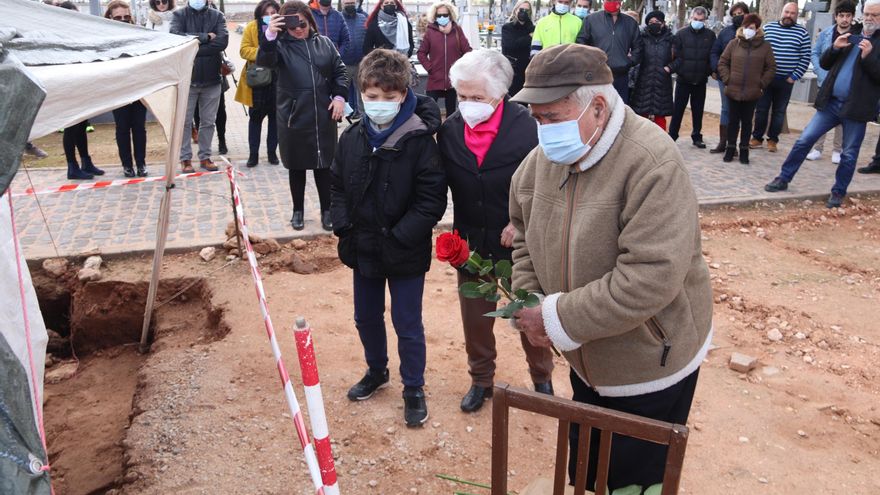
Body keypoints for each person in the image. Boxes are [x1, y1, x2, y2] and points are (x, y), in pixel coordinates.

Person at [508, 44, 712, 495]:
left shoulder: (652, 162)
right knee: (585, 466)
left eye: (552, 118)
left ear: (597, 107)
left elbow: (649, 277)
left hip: (648, 362)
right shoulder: (539, 163)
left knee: (631, 481)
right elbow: (520, 233)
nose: (543, 132)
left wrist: (557, 318)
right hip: (585, 356)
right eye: (536, 119)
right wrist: (530, 299)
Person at [330, 49, 446, 427]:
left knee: (407, 321)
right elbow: (337, 186)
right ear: (362, 94)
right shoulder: (352, 137)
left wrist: (398, 237)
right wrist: (344, 226)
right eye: (372, 97)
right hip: (362, 246)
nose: (379, 104)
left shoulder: (420, 140)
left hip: (404, 250)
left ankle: (413, 386)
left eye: (389, 97)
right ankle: (376, 370)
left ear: (403, 95)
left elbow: (430, 202)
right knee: (366, 316)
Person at [436, 49, 554, 413]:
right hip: (471, 243)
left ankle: (542, 377)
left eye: (477, 98)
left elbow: (550, 185)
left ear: (501, 94)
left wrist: (520, 220)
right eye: (462, 96)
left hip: (520, 245)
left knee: (530, 311)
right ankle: (481, 380)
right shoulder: (450, 131)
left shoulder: (529, 128)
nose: (468, 105)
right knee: (475, 318)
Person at [764, 0, 880, 208]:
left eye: (875, 15)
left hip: (856, 109)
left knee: (849, 153)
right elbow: (826, 62)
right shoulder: (850, 33)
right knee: (803, 141)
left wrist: (869, 56)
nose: (870, 18)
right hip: (831, 104)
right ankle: (783, 178)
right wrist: (835, 48)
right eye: (868, 14)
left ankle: (838, 192)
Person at [260, 3, 348, 231]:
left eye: (302, 24)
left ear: (309, 20)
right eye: (292, 26)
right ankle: (297, 210)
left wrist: (339, 96)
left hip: (322, 113)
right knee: (296, 166)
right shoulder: (279, 46)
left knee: (324, 165)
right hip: (293, 115)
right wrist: (270, 34)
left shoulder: (325, 44)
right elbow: (264, 62)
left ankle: (327, 210)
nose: (298, 29)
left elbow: (340, 71)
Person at [171, 0, 228, 173]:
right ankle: (185, 158)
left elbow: (222, 42)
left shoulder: (217, 16)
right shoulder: (179, 15)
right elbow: (176, 38)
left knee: (208, 122)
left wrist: (193, 45)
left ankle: (205, 156)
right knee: (184, 122)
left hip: (212, 79)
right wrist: (205, 37)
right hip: (187, 79)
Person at [749, 2, 810, 153]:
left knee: (779, 112)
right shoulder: (768, 28)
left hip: (786, 80)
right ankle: (757, 138)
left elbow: (805, 57)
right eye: (787, 12)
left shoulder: (802, 34)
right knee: (761, 110)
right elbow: (758, 49)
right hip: (766, 78)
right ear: (782, 12)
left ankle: (773, 140)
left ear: (796, 15)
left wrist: (794, 76)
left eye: (792, 13)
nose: (789, 15)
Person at [717, 13, 775, 164]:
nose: (749, 30)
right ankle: (730, 148)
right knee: (733, 121)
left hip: (752, 91)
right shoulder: (734, 44)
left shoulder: (765, 46)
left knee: (747, 122)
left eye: (752, 27)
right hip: (733, 90)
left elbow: (771, 68)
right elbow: (723, 62)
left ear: (757, 29)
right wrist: (727, 79)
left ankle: (744, 150)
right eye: (746, 27)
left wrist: (761, 83)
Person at [55, 1, 103, 180]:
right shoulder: (58, 37)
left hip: (79, 84)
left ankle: (85, 161)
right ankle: (72, 166)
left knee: (82, 124)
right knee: (71, 126)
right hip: (66, 86)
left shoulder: (75, 35)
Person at [806, 1, 855, 163]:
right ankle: (817, 148)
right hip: (825, 81)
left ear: (852, 17)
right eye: (842, 15)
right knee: (821, 115)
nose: (845, 19)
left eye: (848, 16)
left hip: (845, 84)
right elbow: (815, 53)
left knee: (841, 117)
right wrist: (820, 73)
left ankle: (837, 150)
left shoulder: (855, 36)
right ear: (836, 16)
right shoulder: (826, 33)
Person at [235, 0, 280, 167]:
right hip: (257, 80)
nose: (269, 17)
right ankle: (253, 154)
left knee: (275, 119)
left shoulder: (281, 28)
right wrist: (263, 53)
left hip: (276, 79)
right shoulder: (251, 27)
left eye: (273, 13)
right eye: (266, 13)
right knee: (255, 119)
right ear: (260, 14)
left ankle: (272, 152)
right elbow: (243, 50)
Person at [106, 1, 149, 178]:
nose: (123, 20)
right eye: (118, 17)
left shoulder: (137, 33)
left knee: (139, 127)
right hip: (118, 88)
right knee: (122, 128)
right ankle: (127, 165)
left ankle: (141, 163)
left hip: (138, 86)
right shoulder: (105, 36)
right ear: (110, 17)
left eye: (126, 17)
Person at [576, 0, 642, 103]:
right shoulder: (591, 19)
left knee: (619, 109)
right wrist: (591, 62)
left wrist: (629, 62)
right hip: (597, 75)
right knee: (597, 109)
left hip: (621, 76)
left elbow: (638, 47)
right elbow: (581, 43)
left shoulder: (630, 23)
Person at [668, 6, 715, 148]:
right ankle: (673, 135)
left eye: (701, 20)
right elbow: (675, 55)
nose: (698, 22)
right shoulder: (681, 34)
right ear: (691, 18)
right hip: (683, 79)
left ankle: (696, 136)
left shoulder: (710, 35)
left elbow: (712, 56)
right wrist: (680, 70)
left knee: (698, 110)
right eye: (695, 19)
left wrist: (707, 71)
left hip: (700, 80)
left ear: (705, 20)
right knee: (678, 110)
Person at [417, 1, 472, 117]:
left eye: (445, 15)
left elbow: (468, 51)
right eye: (439, 15)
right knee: (429, 110)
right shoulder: (430, 32)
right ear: (435, 16)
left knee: (451, 111)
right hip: (435, 78)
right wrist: (430, 68)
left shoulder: (457, 30)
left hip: (453, 79)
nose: (442, 17)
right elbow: (421, 53)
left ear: (450, 15)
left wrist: (460, 68)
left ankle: (449, 133)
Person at [709, 2, 749, 155]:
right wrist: (716, 69)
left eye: (740, 13)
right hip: (725, 78)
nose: (738, 16)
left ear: (746, 13)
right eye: (734, 14)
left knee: (740, 111)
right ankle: (723, 142)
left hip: (745, 79)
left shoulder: (752, 32)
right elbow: (715, 52)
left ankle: (734, 144)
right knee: (726, 109)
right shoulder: (725, 33)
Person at [630, 11, 673, 130]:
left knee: (660, 117)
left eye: (657, 22)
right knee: (640, 117)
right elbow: (636, 55)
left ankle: (661, 144)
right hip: (644, 81)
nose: (654, 24)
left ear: (663, 23)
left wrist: (670, 67)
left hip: (662, 82)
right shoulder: (641, 38)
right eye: (651, 22)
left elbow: (680, 58)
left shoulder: (671, 39)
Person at [341, 0, 368, 118]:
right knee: (341, 91)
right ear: (342, 3)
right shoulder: (339, 18)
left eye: (352, 2)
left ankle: (363, 116)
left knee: (362, 91)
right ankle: (342, 116)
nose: (350, 5)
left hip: (361, 62)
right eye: (347, 3)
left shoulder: (363, 18)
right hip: (343, 63)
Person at [501, 0, 534, 97]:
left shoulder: (533, 28)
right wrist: (529, 37)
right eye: (521, 9)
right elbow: (511, 45)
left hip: (527, 71)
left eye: (527, 10)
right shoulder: (508, 28)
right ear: (515, 10)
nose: (524, 12)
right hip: (512, 70)